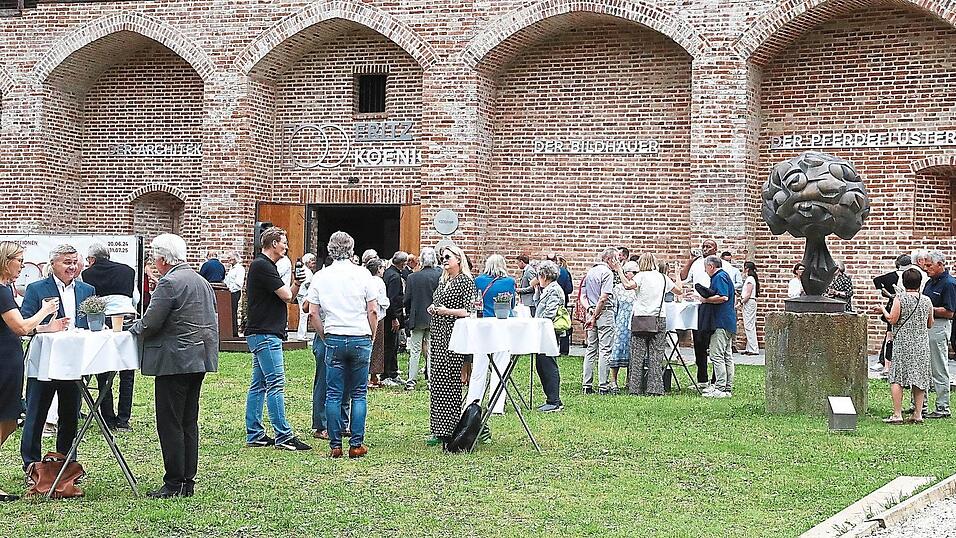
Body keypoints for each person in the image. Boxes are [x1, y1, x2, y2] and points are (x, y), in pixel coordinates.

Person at [128, 234, 218, 498]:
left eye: (156, 256)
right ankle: (187, 480)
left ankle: (174, 482)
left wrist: (131, 329)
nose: (154, 261)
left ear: (163, 258)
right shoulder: (200, 280)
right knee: (188, 421)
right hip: (198, 358)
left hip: (175, 360)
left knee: (170, 423)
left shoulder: (169, 283)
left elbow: (151, 322)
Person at [0, 242, 66, 501]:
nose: (22, 266)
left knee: (9, 418)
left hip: (9, 357)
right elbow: (19, 327)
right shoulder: (3, 292)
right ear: (7, 261)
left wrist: (46, 328)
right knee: (6, 416)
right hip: (4, 361)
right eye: (19, 261)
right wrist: (45, 311)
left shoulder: (6, 290)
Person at [20, 244, 94, 471]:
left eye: (74, 262)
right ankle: (31, 463)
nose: (72, 267)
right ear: (52, 264)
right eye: (66, 262)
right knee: (37, 411)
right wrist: (47, 327)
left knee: (70, 412)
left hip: (73, 361)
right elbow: (24, 323)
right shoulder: (36, 288)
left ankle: (66, 460)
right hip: (44, 361)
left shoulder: (86, 290)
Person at [307, 231, 379, 459]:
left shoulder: (321, 276)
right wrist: (372, 334)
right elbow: (373, 310)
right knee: (359, 393)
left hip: (334, 335)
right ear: (351, 249)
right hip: (359, 335)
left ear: (330, 249)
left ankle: (335, 444)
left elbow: (313, 313)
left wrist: (324, 335)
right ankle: (356, 443)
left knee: (333, 394)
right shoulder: (363, 274)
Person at [244, 227, 311, 451]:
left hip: (261, 332)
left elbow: (289, 296)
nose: (287, 247)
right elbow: (286, 295)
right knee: (275, 383)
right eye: (284, 242)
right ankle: (283, 436)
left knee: (259, 384)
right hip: (265, 333)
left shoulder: (263, 265)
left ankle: (255, 434)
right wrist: (296, 282)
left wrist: (297, 282)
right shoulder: (262, 265)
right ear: (273, 244)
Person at [82, 242, 138, 431]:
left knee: (103, 370)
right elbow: (134, 298)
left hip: (103, 322)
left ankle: (107, 418)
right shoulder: (128, 271)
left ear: (92, 259)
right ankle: (123, 419)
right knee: (127, 371)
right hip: (127, 320)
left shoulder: (87, 275)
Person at [426, 245, 477, 447]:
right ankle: (438, 428)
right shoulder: (443, 280)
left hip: (453, 334)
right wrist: (434, 308)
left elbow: (469, 310)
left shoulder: (465, 281)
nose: (444, 260)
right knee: (437, 380)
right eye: (442, 258)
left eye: (447, 257)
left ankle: (452, 428)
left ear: (458, 259)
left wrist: (446, 311)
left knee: (450, 380)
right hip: (438, 334)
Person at [874, 268, 932, 425]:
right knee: (919, 378)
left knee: (897, 378)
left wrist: (883, 310)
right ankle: (918, 414)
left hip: (903, 343)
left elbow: (892, 319)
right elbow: (930, 323)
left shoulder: (900, 299)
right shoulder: (926, 300)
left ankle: (897, 414)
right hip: (921, 343)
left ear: (904, 283)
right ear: (920, 282)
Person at [622, 253, 680, 396]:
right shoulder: (663, 277)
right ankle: (655, 389)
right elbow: (679, 290)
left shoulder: (641, 276)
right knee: (656, 355)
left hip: (640, 318)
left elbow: (628, 285)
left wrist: (618, 269)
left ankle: (635, 388)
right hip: (659, 318)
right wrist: (678, 274)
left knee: (637, 355)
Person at [471, 254, 516, 415]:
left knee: (479, 365)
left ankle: (473, 401)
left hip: (483, 325)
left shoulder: (479, 281)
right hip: (502, 325)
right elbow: (512, 304)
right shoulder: (510, 282)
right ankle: (496, 405)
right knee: (501, 366)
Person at [914, 250, 955, 419]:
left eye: (929, 265)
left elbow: (950, 312)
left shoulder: (949, 284)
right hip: (926, 326)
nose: (926, 268)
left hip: (938, 327)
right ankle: (919, 406)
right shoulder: (930, 282)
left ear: (940, 265)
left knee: (938, 367)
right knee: (922, 367)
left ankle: (943, 406)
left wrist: (927, 308)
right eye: (925, 264)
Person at [679, 239, 720, 387]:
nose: (705, 249)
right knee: (699, 343)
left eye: (709, 246)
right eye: (703, 246)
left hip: (714, 306)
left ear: (715, 249)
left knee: (715, 344)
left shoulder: (721, 265)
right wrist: (690, 261)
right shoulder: (697, 264)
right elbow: (683, 277)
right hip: (698, 307)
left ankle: (717, 380)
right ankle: (702, 379)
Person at [581, 247, 618, 395]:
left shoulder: (590, 272)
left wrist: (590, 310)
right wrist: (595, 315)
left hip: (590, 312)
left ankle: (586, 384)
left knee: (591, 349)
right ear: (609, 259)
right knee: (604, 350)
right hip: (603, 313)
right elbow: (604, 297)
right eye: (616, 258)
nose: (618, 262)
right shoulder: (607, 273)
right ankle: (603, 385)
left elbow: (582, 296)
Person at [403, 247, 441, 390]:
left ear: (421, 260)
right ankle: (432, 381)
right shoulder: (440, 276)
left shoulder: (412, 277)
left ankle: (411, 380)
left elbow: (407, 299)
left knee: (415, 350)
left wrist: (408, 313)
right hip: (434, 317)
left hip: (417, 317)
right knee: (431, 350)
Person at [701, 256, 736, 398]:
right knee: (727, 355)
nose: (705, 271)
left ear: (711, 266)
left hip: (720, 321)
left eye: (705, 268)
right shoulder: (724, 276)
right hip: (728, 321)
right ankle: (727, 387)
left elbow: (723, 297)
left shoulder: (719, 277)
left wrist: (705, 299)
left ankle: (721, 387)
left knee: (717, 355)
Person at [534, 261, 565, 412]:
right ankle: (551, 399)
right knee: (541, 365)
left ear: (544, 276)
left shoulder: (554, 290)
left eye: (538, 275)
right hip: (544, 331)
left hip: (549, 331)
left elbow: (550, 313)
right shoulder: (547, 289)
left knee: (548, 365)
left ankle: (554, 400)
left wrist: (539, 323)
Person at [609, 261, 640, 394]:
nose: (635, 275)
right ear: (627, 273)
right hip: (621, 322)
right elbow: (614, 306)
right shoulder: (618, 288)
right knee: (618, 349)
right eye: (634, 272)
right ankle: (613, 381)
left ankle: (630, 380)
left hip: (635, 321)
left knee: (634, 350)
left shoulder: (638, 287)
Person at [382, 251, 408, 386]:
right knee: (390, 346)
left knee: (394, 345)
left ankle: (393, 372)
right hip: (391, 316)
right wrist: (394, 318)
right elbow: (392, 299)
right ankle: (386, 374)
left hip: (392, 315)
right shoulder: (394, 277)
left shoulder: (389, 272)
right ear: (402, 264)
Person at [366, 258, 389, 388]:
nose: (383, 270)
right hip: (378, 316)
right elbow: (381, 300)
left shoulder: (365, 280)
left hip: (365, 316)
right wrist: (387, 302)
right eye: (382, 268)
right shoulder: (378, 282)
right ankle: (373, 376)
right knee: (377, 347)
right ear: (378, 269)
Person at [293, 253, 316, 341]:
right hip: (304, 295)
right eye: (311, 261)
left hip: (302, 294)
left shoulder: (306, 270)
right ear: (307, 262)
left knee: (304, 315)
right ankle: (301, 335)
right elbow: (307, 284)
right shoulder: (307, 271)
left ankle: (302, 334)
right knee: (304, 315)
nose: (313, 264)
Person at [223, 251, 245, 338]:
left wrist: (230, 289)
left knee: (233, 312)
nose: (228, 260)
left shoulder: (239, 269)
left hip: (234, 293)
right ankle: (231, 331)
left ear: (235, 258)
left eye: (230, 258)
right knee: (230, 312)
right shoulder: (232, 268)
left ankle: (234, 332)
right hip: (229, 292)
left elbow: (238, 283)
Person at [740, 262, 760, 355]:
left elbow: (748, 294)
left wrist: (741, 302)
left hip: (749, 302)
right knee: (748, 325)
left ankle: (754, 349)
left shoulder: (750, 279)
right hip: (749, 302)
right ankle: (749, 347)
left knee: (749, 326)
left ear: (747, 268)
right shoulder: (751, 278)